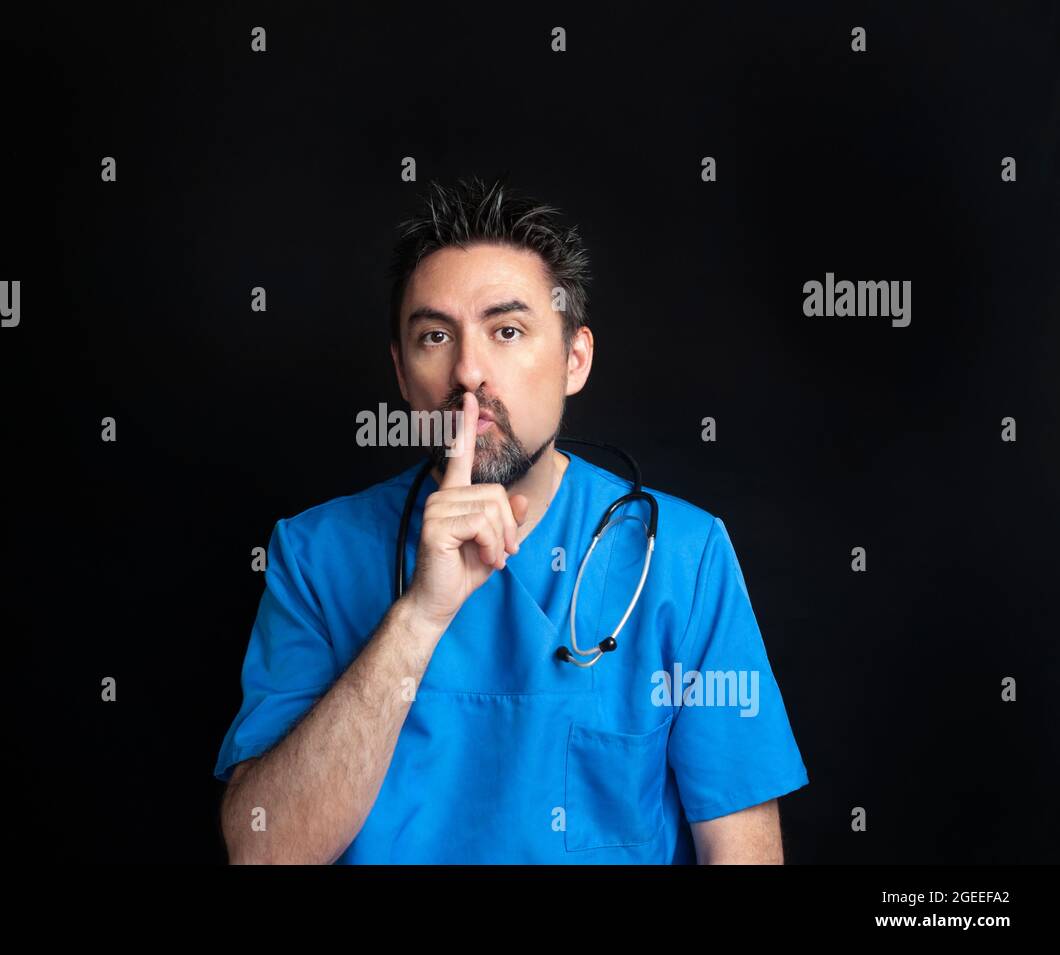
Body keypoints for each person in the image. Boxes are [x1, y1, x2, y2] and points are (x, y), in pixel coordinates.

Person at [214, 175, 808, 864]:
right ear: (403, 376)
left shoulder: (682, 557)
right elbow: (262, 850)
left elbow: (744, 854)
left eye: (507, 330)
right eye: (435, 336)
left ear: (574, 359)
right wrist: (418, 617)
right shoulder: (317, 555)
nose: (468, 371)